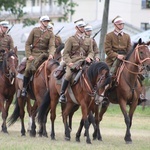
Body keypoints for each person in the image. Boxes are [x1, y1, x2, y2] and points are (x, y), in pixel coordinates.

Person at [104, 16, 147, 103]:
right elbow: (107, 50)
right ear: (115, 25)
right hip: (113, 60)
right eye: (119, 24)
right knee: (110, 75)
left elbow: (129, 49)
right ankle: (104, 94)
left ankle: (140, 95)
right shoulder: (109, 36)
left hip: (125, 58)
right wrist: (117, 55)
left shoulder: (127, 36)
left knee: (138, 73)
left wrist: (128, 57)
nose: (121, 26)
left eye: (122, 24)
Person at [58, 18, 94, 103]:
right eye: (80, 27)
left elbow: (91, 52)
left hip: (85, 61)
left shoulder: (88, 40)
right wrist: (69, 63)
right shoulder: (70, 39)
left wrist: (90, 57)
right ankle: (62, 94)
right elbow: (65, 53)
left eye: (83, 27)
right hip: (73, 62)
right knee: (68, 75)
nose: (82, 28)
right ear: (76, 28)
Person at [21, 15, 55, 97]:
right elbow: (28, 44)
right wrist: (29, 56)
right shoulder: (34, 30)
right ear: (41, 22)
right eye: (45, 21)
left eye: (47, 21)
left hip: (45, 55)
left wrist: (51, 54)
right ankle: (24, 88)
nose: (46, 23)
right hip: (34, 55)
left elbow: (51, 46)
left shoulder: (50, 33)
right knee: (28, 69)